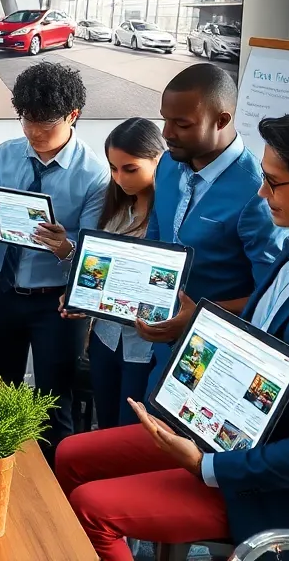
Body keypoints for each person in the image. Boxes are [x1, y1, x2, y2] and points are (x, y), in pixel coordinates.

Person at [55, 111, 289, 560]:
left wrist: (204, 464)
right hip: (224, 432)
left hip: (274, 485)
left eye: (274, 182)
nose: (261, 191)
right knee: (71, 454)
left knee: (92, 508)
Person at [0, 62, 109, 457]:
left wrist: (66, 248)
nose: (33, 132)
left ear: (72, 116)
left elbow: (92, 262)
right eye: (26, 120)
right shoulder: (4, 158)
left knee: (53, 404)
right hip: (1, 291)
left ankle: (52, 502)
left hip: (55, 304)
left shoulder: (94, 175)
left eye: (46, 124)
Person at [138, 65, 286, 392]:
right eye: (165, 119)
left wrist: (199, 315)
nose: (166, 132)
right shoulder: (167, 164)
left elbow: (272, 298)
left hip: (218, 361)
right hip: (161, 346)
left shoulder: (258, 193)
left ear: (221, 121)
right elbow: (156, 242)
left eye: (181, 124)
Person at [59, 117, 164, 429]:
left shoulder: (169, 218)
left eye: (130, 169)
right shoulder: (117, 209)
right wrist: (80, 295)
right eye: (114, 168)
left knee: (128, 431)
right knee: (104, 426)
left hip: (144, 345)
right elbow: (101, 269)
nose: (120, 179)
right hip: (105, 338)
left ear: (159, 159)